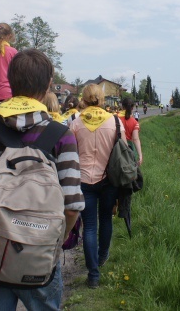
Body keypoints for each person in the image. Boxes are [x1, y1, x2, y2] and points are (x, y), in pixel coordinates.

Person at [0, 49, 84, 311]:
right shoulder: (62, 135)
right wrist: (50, 243)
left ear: (10, 80)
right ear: (49, 84)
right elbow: (72, 206)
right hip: (41, 260)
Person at [69, 84, 125, 289]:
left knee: (89, 226)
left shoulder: (75, 122)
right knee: (106, 219)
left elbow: (69, 151)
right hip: (108, 180)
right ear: (102, 98)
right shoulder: (115, 122)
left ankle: (93, 274)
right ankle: (102, 256)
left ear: (83, 98)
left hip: (83, 180)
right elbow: (123, 152)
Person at [118, 98, 143, 166]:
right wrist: (140, 155)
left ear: (122, 106)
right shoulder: (135, 122)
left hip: (116, 148)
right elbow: (135, 139)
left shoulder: (114, 118)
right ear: (133, 108)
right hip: (129, 149)